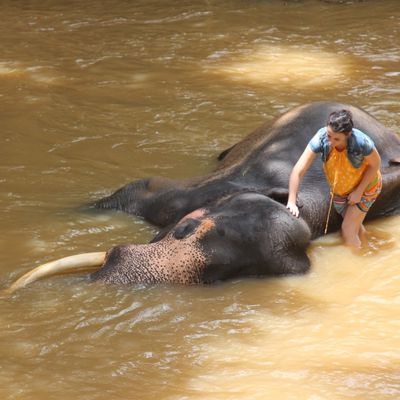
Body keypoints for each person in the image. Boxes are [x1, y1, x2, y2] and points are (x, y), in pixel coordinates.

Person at [286, 109, 382, 248]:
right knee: (354, 227)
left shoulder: (362, 143)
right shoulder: (321, 138)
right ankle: (368, 248)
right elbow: (298, 170)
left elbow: (375, 165)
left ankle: (360, 264)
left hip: (367, 188)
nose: (330, 141)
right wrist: (292, 201)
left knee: (347, 230)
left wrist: (359, 192)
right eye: (329, 135)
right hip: (340, 189)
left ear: (348, 135)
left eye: (336, 139)